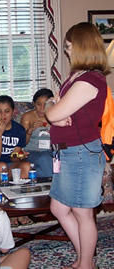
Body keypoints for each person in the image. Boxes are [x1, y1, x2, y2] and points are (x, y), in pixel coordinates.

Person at [45, 22, 109, 269]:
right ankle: (86, 258)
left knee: (82, 212)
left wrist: (54, 110)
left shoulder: (90, 80)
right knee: (59, 208)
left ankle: (85, 265)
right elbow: (52, 105)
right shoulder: (76, 76)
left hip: (82, 153)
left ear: (82, 47)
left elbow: (51, 112)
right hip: (66, 151)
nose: (67, 51)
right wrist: (53, 106)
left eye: (70, 47)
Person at [0, 95, 31, 181]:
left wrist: (18, 156)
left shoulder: (20, 130)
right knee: (1, 166)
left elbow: (13, 158)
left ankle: (18, 194)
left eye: (7, 111)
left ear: (13, 111)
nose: (3, 115)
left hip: (10, 165)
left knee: (27, 166)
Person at [21, 88, 54, 178]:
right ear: (34, 104)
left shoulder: (56, 115)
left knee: (45, 163)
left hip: (51, 151)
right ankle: (52, 183)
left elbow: (64, 140)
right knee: (44, 158)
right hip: (32, 152)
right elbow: (22, 143)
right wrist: (30, 130)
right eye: (38, 104)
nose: (42, 109)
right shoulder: (27, 117)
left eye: (45, 105)